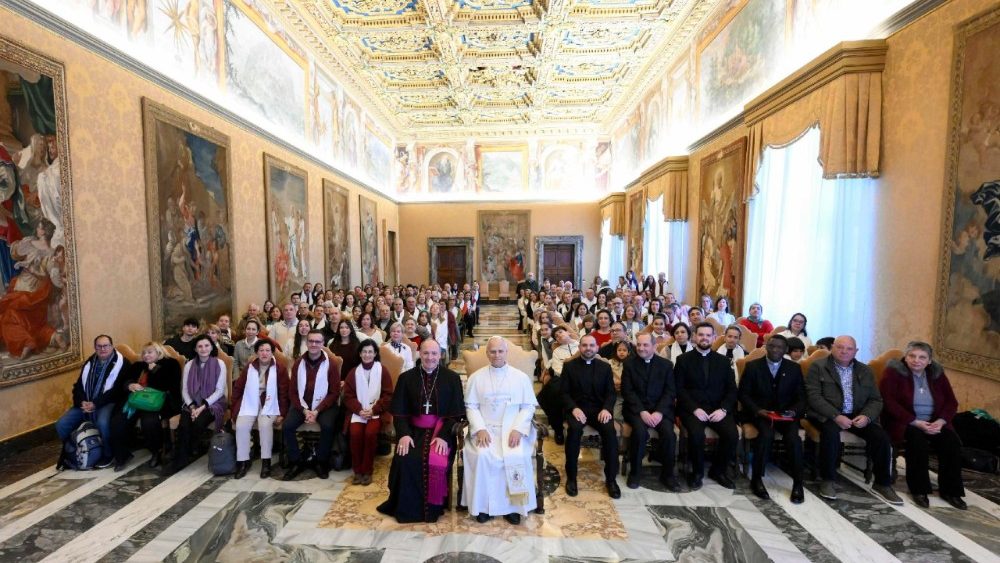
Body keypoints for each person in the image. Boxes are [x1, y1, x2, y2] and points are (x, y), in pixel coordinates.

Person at [805, 335, 901, 504]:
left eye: (849, 349)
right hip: (826, 415)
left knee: (881, 438)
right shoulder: (818, 367)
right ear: (832, 348)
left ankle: (882, 484)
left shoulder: (865, 371)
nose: (844, 351)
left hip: (857, 415)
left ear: (855, 351)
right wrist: (836, 416)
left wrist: (867, 416)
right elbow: (813, 396)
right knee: (830, 433)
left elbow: (875, 400)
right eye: (840, 347)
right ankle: (828, 480)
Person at [378, 340, 465, 523]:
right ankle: (406, 509)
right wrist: (404, 434)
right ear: (419, 353)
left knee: (433, 460)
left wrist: (443, 437)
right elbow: (400, 413)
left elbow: (456, 414)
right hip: (413, 430)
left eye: (434, 354)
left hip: (442, 431)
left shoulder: (451, 378)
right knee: (405, 458)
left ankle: (434, 508)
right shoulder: (406, 378)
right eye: (426, 353)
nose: (430, 358)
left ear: (440, 355)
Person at [879, 341, 965, 509]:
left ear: (929, 361)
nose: (916, 360)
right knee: (917, 443)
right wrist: (915, 421)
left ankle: (951, 491)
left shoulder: (937, 374)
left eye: (922, 357)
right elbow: (888, 402)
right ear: (906, 357)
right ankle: (919, 490)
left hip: (934, 421)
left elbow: (951, 402)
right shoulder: (894, 373)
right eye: (912, 356)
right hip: (905, 422)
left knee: (952, 443)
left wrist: (941, 421)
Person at [463, 337, 539, 525]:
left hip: (512, 430)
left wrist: (519, 430)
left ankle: (513, 507)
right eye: (492, 351)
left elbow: (528, 406)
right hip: (486, 430)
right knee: (482, 456)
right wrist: (479, 429)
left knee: (516, 456)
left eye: (500, 351)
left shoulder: (520, 377)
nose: (496, 355)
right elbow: (471, 407)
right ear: (487, 353)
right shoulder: (476, 377)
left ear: (506, 353)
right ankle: (483, 507)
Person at [738, 335, 806, 503]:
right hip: (761, 414)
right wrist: (758, 410)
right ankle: (757, 479)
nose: (775, 350)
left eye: (780, 347)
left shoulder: (793, 368)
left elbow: (802, 397)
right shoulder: (753, 366)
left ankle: (798, 483)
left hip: (786, 415)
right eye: (772, 346)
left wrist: (793, 411)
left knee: (793, 438)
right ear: (766, 347)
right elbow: (744, 394)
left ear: (785, 350)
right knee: (766, 435)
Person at [673, 323, 738, 490]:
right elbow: (678, 389)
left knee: (731, 434)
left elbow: (731, 390)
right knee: (696, 434)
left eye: (708, 335)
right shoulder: (683, 360)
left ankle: (718, 470)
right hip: (692, 410)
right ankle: (697, 472)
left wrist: (723, 410)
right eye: (701, 335)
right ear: (694, 337)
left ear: (714, 338)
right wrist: (695, 409)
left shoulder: (724, 361)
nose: (704, 338)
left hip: (718, 409)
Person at [560, 334, 621, 499]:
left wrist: (607, 409)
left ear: (597, 347)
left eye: (591, 345)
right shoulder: (569, 366)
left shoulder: (605, 367)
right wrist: (573, 408)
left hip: (599, 410)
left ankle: (611, 479)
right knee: (574, 430)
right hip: (577, 409)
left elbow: (610, 393)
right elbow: (564, 393)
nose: (588, 348)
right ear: (580, 347)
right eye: (585, 345)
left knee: (610, 432)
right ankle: (572, 478)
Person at [56, 335, 129, 470]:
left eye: (106, 346)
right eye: (99, 346)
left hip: (108, 402)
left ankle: (108, 453)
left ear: (112, 346)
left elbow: (117, 390)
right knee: (62, 424)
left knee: (102, 422)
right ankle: (73, 450)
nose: (103, 349)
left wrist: (96, 403)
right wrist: (81, 402)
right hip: (85, 403)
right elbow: (78, 385)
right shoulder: (90, 362)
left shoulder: (122, 363)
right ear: (95, 348)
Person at [109, 342, 181, 471]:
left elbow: (169, 386)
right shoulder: (138, 365)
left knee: (149, 421)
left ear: (159, 353)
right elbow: (124, 380)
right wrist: (130, 385)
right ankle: (122, 455)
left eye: (150, 352)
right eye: (144, 353)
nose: (146, 355)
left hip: (157, 402)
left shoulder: (171, 364)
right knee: (118, 420)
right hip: (136, 401)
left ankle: (156, 452)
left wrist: (153, 370)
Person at [622, 334, 680, 491]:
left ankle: (668, 474)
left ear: (654, 347)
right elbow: (627, 391)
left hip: (660, 411)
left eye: (645, 345)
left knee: (669, 434)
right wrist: (642, 411)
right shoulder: (629, 364)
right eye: (639, 345)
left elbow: (670, 392)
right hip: (635, 410)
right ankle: (635, 472)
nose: (641, 348)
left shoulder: (666, 365)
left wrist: (659, 412)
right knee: (639, 432)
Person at [283, 330, 341, 480]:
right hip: (302, 404)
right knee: (287, 426)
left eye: (317, 342)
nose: (314, 344)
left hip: (325, 405)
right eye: (311, 341)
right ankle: (296, 461)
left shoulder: (331, 364)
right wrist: (304, 410)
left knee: (328, 426)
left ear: (322, 344)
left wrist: (317, 410)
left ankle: (321, 461)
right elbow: (293, 392)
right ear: (307, 343)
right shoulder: (298, 364)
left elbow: (334, 393)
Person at [166, 335, 227, 475]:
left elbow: (219, 391)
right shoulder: (189, 364)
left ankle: (190, 450)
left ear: (212, 347)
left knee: (199, 422)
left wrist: (202, 407)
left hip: (213, 403)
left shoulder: (219, 364)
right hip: (192, 403)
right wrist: (192, 406)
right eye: (200, 346)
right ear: (195, 349)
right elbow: (185, 390)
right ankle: (180, 460)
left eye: (206, 345)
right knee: (184, 424)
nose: (203, 349)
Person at [231, 339, 289, 479]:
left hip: (270, 403)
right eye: (261, 350)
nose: (264, 353)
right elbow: (238, 388)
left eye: (267, 350)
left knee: (264, 425)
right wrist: (234, 408)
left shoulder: (279, 368)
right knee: (241, 425)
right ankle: (243, 461)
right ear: (256, 353)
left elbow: (284, 392)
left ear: (272, 353)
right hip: (250, 401)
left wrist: (282, 412)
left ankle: (266, 463)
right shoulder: (250, 367)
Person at [344, 340, 394, 485]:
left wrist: (373, 410)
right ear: (360, 354)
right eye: (364, 352)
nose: (367, 354)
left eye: (370, 352)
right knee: (355, 433)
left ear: (375, 353)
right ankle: (357, 471)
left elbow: (388, 395)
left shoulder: (382, 370)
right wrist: (359, 410)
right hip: (358, 412)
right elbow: (348, 396)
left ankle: (367, 470)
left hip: (376, 412)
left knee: (370, 434)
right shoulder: (354, 372)